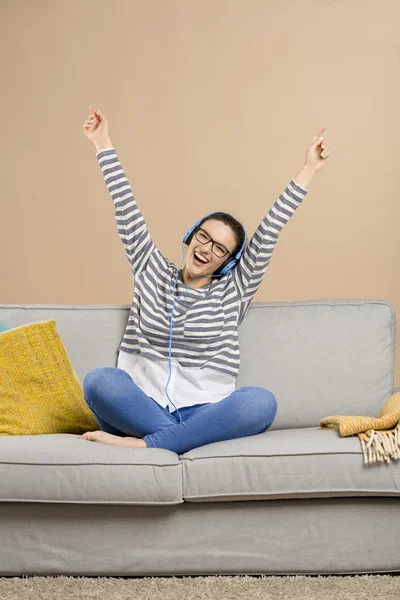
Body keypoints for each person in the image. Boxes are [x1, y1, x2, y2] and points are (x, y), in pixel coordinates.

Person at [78, 105, 330, 453]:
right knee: (99, 382)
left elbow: (270, 229)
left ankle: (146, 446)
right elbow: (126, 208)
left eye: (221, 249)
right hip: (142, 407)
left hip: (205, 410)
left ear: (228, 263)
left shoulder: (234, 290)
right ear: (190, 235)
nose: (207, 249)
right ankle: (179, 441)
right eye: (204, 237)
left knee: (260, 402)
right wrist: (102, 142)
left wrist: (308, 170)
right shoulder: (149, 269)